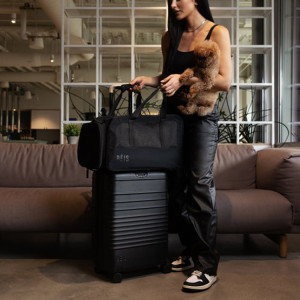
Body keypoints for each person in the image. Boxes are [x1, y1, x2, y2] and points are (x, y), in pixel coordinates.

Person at [130, 0, 232, 292]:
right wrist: (148, 81)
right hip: (170, 119)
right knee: (175, 189)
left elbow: (224, 81)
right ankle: (189, 253)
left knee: (199, 184)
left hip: (201, 120)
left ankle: (207, 267)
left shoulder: (216, 32)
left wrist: (185, 78)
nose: (173, 3)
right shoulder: (169, 36)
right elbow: (167, 78)